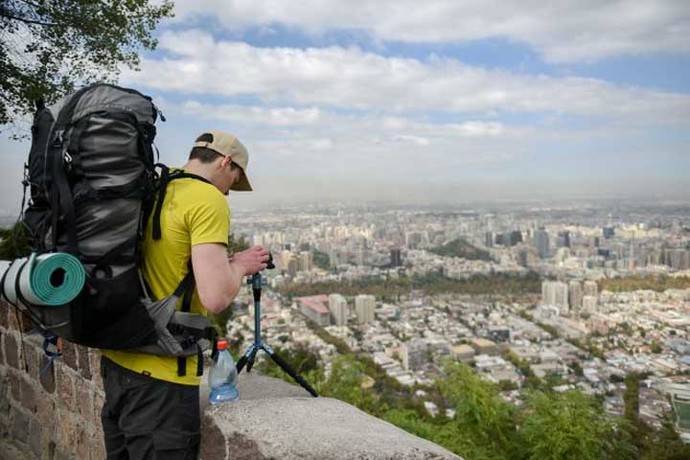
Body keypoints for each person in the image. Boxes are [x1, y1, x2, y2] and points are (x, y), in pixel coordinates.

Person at [100, 131, 269, 459]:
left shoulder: (156, 186)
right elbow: (216, 297)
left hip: (118, 361)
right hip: (162, 379)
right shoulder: (206, 199)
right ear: (225, 161)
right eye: (233, 180)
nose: (229, 192)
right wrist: (241, 265)